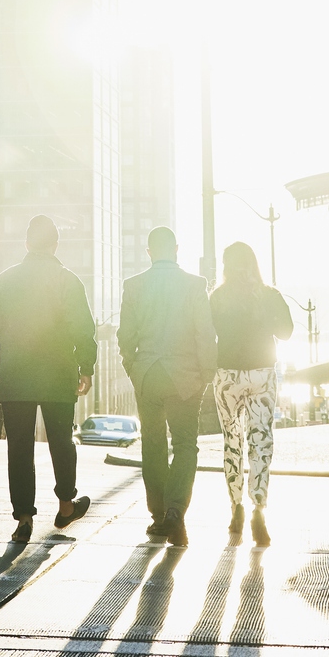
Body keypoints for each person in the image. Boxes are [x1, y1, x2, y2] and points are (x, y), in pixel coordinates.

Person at [0, 214, 97, 545]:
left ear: (27, 244)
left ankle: (24, 518)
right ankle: (65, 506)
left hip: (16, 374)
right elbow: (84, 330)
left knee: (19, 447)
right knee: (62, 441)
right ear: (55, 245)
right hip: (59, 374)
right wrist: (86, 367)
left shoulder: (5, 279)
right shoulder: (68, 280)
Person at [118, 225, 215, 547]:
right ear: (176, 249)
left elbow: (126, 336)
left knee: (153, 445)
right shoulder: (194, 285)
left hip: (148, 373)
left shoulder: (133, 286)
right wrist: (207, 373)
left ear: (149, 253)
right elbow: (205, 333)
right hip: (185, 375)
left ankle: (158, 516)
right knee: (186, 444)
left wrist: (132, 367)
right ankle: (176, 511)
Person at [210, 240, 293, 546]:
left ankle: (236, 509)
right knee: (261, 440)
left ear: (225, 266)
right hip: (261, 373)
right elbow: (286, 332)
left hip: (228, 374)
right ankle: (259, 509)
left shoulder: (217, 297)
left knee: (232, 441)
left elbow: (207, 335)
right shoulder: (270, 295)